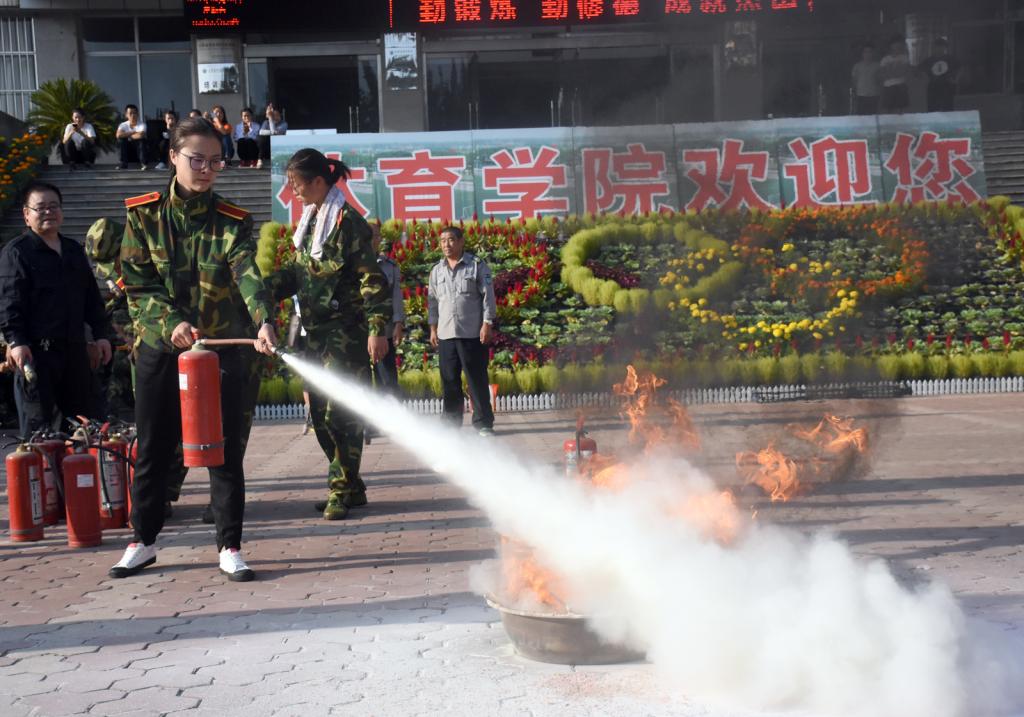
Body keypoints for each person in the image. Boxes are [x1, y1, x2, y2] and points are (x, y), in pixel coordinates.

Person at [109, 117, 278, 582]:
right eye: (197, 160)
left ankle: (230, 546)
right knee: (153, 447)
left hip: (218, 352)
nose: (206, 170)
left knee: (223, 451)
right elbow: (138, 284)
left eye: (216, 161)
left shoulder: (232, 220)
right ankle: (142, 541)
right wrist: (171, 324)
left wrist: (263, 318)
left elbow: (247, 274)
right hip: (159, 348)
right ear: (173, 157)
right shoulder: (144, 215)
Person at [265, 148, 390, 520]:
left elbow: (372, 279)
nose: (293, 191)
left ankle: (340, 489)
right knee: (319, 413)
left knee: (340, 413)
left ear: (318, 181)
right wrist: (260, 289)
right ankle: (353, 486)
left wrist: (378, 330)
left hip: (345, 334)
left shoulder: (347, 222)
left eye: (297, 184)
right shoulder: (311, 221)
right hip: (314, 335)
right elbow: (298, 274)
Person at [0, 180, 113, 438]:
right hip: (37, 356)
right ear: (26, 215)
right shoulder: (17, 253)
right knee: (40, 435)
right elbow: (8, 303)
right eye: (40, 208)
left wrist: (101, 335)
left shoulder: (73, 250)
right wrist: (16, 342)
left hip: (75, 355)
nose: (48, 212)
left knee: (84, 429)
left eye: (54, 206)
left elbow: (91, 299)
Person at [428, 225, 497, 436]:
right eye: (442, 241)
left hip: (471, 334)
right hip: (446, 333)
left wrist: (487, 323)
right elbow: (432, 302)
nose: (446, 245)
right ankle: (451, 424)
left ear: (460, 241)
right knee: (449, 380)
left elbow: (488, 297)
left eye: (450, 240)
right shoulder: (437, 270)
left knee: (476, 379)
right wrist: (433, 328)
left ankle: (483, 423)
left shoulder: (476, 266)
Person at [372, 223, 404, 396]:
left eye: (376, 236)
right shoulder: (350, 264)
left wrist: (398, 323)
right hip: (356, 330)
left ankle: (391, 411)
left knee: (387, 378)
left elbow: (396, 296)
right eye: (369, 236)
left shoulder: (389, 266)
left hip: (384, 329)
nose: (373, 240)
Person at [921, 37, 960, 113]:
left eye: (942, 47)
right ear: (934, 48)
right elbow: (920, 71)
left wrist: (956, 80)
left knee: (948, 110)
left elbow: (960, 68)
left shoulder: (950, 59)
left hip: (947, 87)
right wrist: (926, 79)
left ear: (945, 48)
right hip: (933, 88)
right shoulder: (929, 60)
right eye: (937, 47)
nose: (939, 49)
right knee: (933, 111)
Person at [879, 37, 911, 114]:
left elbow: (903, 71)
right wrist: (897, 69)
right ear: (891, 46)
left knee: (900, 110)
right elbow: (883, 74)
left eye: (898, 45)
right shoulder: (885, 59)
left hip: (901, 86)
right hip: (888, 86)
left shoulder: (904, 58)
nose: (896, 47)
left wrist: (890, 69)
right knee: (887, 109)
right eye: (894, 45)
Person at [116, 104, 149, 170]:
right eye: (130, 113)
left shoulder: (142, 124)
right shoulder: (123, 125)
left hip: (138, 151)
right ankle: (123, 164)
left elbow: (141, 135)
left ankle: (143, 164)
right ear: (126, 115)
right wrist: (134, 132)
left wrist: (127, 136)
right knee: (122, 140)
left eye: (134, 113)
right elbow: (118, 135)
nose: (133, 115)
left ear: (138, 114)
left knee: (141, 140)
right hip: (127, 151)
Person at [850, 44, 880, 116]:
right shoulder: (857, 66)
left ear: (873, 53)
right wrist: (854, 94)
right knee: (861, 117)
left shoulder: (877, 66)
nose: (867, 54)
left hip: (874, 95)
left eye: (870, 52)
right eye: (865, 52)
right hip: (860, 96)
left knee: (873, 117)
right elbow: (854, 81)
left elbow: (880, 81)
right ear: (862, 54)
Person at [256, 102, 287, 169]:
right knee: (261, 138)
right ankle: (259, 160)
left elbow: (274, 133)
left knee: (267, 136)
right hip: (267, 148)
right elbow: (261, 132)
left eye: (277, 115)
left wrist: (270, 119)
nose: (275, 117)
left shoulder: (283, 124)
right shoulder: (266, 122)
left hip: (277, 148)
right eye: (273, 115)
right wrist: (272, 132)